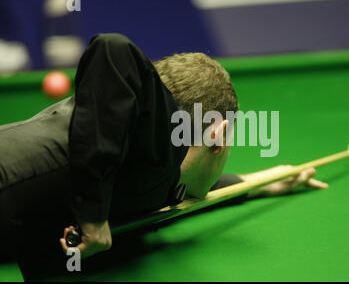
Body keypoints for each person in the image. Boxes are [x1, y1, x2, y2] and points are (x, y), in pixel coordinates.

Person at [0, 33, 328, 261]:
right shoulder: (155, 146)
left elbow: (176, 192)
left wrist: (257, 183)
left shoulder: (147, 163)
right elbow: (112, 48)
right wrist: (93, 215)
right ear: (219, 136)